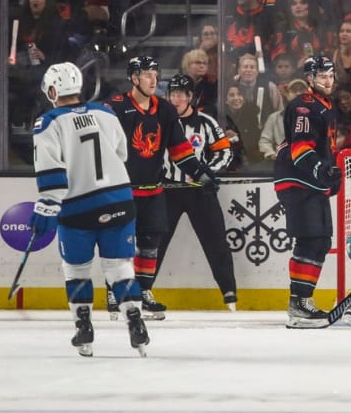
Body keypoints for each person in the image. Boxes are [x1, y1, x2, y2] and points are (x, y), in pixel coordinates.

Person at [27, 61, 148, 357]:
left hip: (77, 208)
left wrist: (45, 209)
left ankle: (83, 327)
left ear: (54, 91)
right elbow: (121, 152)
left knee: (76, 269)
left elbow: (52, 175)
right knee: (119, 267)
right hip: (119, 200)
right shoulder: (105, 112)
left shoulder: (48, 123)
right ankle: (134, 318)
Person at [105, 55, 216, 321]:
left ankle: (143, 291)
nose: (154, 79)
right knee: (120, 244)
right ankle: (115, 290)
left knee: (149, 243)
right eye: (146, 74)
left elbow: (179, 150)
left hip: (153, 190)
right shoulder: (115, 107)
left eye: (155, 74)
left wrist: (201, 173)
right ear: (133, 78)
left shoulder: (165, 110)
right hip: (122, 190)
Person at [157, 74, 237, 310]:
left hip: (199, 193)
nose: (176, 98)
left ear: (191, 97)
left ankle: (229, 293)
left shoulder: (206, 122)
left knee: (216, 243)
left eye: (181, 94)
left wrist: (206, 173)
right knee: (155, 243)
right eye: (172, 93)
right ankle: (142, 292)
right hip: (167, 192)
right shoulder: (159, 122)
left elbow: (225, 152)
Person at [273, 54, 341, 328]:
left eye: (331, 75)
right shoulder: (304, 106)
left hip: (312, 182)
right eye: (322, 76)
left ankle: (304, 299)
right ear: (310, 79)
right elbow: (301, 148)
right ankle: (298, 303)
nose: (328, 80)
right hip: (298, 181)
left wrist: (327, 177)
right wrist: (321, 171)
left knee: (321, 240)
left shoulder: (325, 105)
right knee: (310, 239)